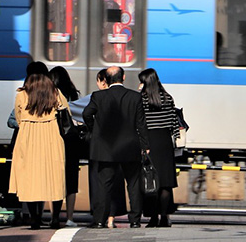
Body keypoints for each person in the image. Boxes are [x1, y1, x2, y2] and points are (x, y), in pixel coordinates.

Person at [83, 66, 150, 228]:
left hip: (105, 148)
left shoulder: (98, 96)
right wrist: (145, 145)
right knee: (133, 184)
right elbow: (141, 124)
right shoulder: (135, 97)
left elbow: (86, 114)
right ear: (124, 77)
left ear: (105, 80)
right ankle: (135, 220)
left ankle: (100, 220)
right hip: (129, 146)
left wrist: (95, 129)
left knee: (104, 184)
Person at [9, 69, 69, 229]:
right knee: (54, 178)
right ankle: (55, 218)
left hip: (27, 138)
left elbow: (18, 117)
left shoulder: (21, 95)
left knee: (29, 178)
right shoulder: (56, 93)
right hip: (52, 137)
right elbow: (66, 113)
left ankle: (35, 218)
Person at [138, 68, 179, 227]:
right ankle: (164, 217)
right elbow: (174, 123)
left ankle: (153, 217)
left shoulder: (141, 100)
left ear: (146, 82)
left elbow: (139, 123)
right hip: (165, 142)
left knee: (150, 181)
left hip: (149, 142)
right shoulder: (168, 98)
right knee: (166, 182)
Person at [49, 65, 83, 228]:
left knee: (55, 179)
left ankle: (54, 216)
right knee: (71, 180)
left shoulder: (49, 95)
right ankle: (70, 217)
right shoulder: (73, 94)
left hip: (53, 140)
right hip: (71, 141)